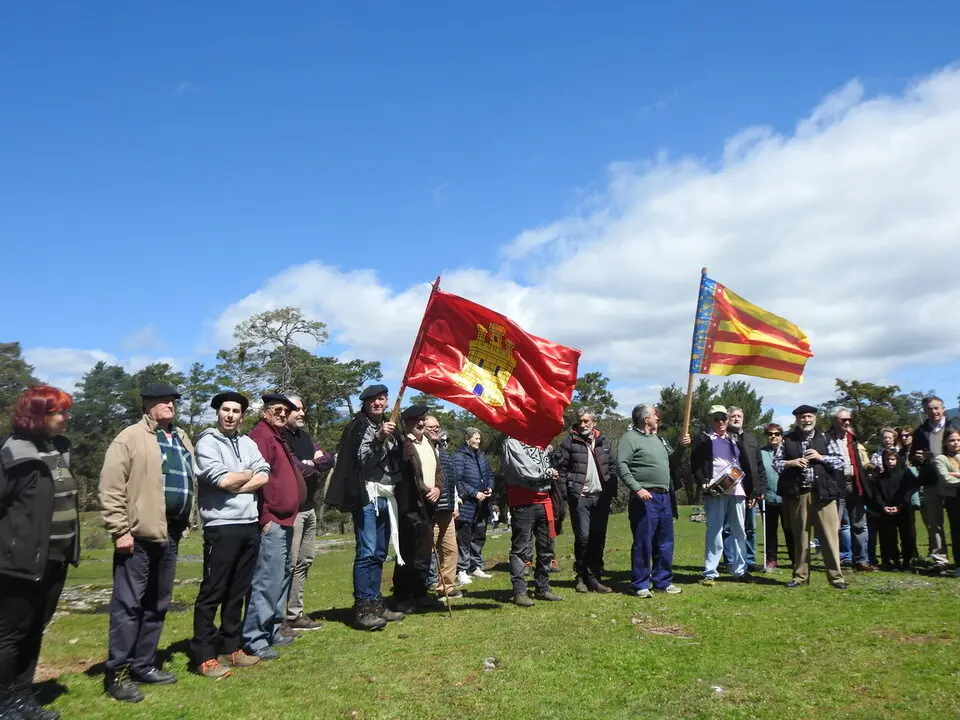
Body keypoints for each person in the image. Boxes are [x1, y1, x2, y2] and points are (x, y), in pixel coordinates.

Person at [100, 382, 195, 702]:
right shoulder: (130, 438)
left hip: (170, 532)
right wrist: (119, 530)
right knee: (129, 605)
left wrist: (188, 520)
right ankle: (118, 672)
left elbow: (188, 481)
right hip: (137, 535)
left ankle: (143, 663)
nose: (170, 405)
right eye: (163, 401)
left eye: (173, 401)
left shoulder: (181, 437)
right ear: (147, 405)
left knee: (157, 602)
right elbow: (111, 487)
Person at [0, 386, 78, 720]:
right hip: (18, 561)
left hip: (55, 558)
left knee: (34, 629)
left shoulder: (59, 448)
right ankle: (4, 702)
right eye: (59, 412)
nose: (66, 418)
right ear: (38, 415)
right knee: (10, 633)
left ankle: (22, 696)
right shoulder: (13, 454)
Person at [190, 391, 270, 679]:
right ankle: (204, 654)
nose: (230, 415)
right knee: (213, 591)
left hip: (249, 523)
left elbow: (264, 472)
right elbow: (220, 479)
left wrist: (239, 482)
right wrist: (244, 476)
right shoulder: (207, 442)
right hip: (220, 525)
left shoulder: (248, 443)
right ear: (217, 412)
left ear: (242, 415)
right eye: (225, 410)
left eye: (236, 411)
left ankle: (232, 647)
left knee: (238, 591)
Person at [324, 384, 406, 631]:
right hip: (366, 494)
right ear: (365, 403)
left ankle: (376, 603)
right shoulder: (359, 426)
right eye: (373, 400)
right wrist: (380, 438)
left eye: (382, 399)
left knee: (380, 552)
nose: (378, 403)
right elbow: (363, 460)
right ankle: (363, 607)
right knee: (367, 551)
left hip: (386, 494)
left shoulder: (391, 425)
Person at [241, 393, 306, 660]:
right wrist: (265, 516)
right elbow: (259, 479)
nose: (282, 413)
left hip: (286, 518)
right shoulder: (261, 437)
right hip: (273, 520)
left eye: (285, 410)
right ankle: (255, 637)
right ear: (264, 412)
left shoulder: (277, 437)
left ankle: (274, 629)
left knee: (281, 577)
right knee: (267, 580)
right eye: (277, 409)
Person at [616, 404, 689, 598]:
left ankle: (662, 581)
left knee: (665, 541)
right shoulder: (629, 439)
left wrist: (681, 447)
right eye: (654, 414)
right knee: (643, 541)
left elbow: (673, 463)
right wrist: (637, 488)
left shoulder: (659, 439)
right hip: (644, 497)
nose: (657, 417)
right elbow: (621, 465)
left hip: (664, 497)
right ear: (644, 418)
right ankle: (639, 584)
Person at [774, 404, 847, 589]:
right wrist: (791, 462)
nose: (805, 420)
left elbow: (840, 462)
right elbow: (776, 463)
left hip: (824, 495)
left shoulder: (827, 437)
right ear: (796, 420)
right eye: (801, 417)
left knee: (830, 537)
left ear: (815, 417)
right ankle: (800, 577)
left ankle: (836, 578)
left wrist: (821, 457)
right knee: (801, 537)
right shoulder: (787, 439)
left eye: (808, 416)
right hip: (799, 494)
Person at [692, 405, 766, 585]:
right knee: (715, 531)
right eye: (716, 418)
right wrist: (703, 481)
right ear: (711, 420)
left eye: (723, 418)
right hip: (715, 491)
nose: (721, 422)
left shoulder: (736, 439)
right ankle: (710, 571)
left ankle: (740, 570)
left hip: (738, 490)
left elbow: (751, 465)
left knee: (739, 531)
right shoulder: (703, 439)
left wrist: (755, 489)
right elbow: (694, 463)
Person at [283, 397, 334, 633]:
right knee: (288, 564)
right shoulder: (280, 437)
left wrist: (311, 461)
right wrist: (311, 463)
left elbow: (328, 459)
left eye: (303, 408)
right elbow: (297, 468)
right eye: (297, 409)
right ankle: (278, 617)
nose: (302, 413)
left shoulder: (305, 438)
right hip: (291, 511)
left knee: (304, 561)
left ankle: (295, 613)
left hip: (309, 507)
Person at [554, 409, 617, 594]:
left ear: (594, 422)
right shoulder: (570, 441)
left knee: (598, 538)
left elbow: (611, 467)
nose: (582, 425)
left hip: (601, 497)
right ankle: (580, 575)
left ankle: (595, 577)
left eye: (586, 421)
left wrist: (610, 490)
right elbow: (561, 469)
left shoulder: (604, 442)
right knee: (583, 537)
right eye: (580, 421)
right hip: (580, 498)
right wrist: (568, 494)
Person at [391, 405, 446, 614]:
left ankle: (420, 592)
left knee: (424, 552)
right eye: (416, 420)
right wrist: (426, 490)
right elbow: (412, 476)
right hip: (411, 506)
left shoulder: (429, 444)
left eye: (422, 419)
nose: (421, 423)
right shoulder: (405, 444)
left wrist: (438, 488)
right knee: (408, 553)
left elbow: (438, 470)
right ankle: (403, 597)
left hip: (429, 506)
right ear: (407, 423)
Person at [502, 438, 562, 606]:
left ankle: (543, 587)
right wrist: (548, 472)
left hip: (545, 500)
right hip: (523, 502)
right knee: (521, 548)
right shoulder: (512, 441)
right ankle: (520, 591)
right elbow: (525, 469)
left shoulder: (540, 440)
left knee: (547, 547)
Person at [828, 408, 876, 572]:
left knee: (860, 524)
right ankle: (845, 558)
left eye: (849, 419)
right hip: (837, 485)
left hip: (855, 484)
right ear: (834, 420)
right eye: (843, 420)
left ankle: (862, 559)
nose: (847, 422)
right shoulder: (827, 439)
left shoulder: (853, 439)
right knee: (843, 524)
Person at [423, 416, 461, 601]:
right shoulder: (420, 449)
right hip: (429, 508)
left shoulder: (443, 452)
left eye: (437, 427)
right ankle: (420, 588)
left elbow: (451, 480)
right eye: (431, 427)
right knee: (426, 551)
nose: (435, 430)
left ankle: (447, 587)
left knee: (450, 550)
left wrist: (455, 504)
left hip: (447, 508)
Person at [911, 396, 950, 567]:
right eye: (930, 409)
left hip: (953, 480)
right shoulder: (920, 431)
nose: (934, 412)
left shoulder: (954, 427)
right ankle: (940, 559)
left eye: (937, 408)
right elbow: (912, 456)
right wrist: (918, 457)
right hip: (930, 481)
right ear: (925, 411)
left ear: (943, 409)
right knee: (934, 523)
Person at [722, 407, 761, 572]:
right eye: (733, 416)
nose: (736, 418)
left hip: (747, 489)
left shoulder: (751, 440)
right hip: (728, 488)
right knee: (728, 527)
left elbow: (759, 467)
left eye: (739, 416)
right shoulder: (721, 438)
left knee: (749, 526)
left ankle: (749, 560)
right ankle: (730, 560)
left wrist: (758, 490)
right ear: (727, 418)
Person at [453, 428, 494, 585]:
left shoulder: (481, 457)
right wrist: (474, 493)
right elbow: (458, 480)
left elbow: (489, 475)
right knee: (464, 538)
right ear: (467, 439)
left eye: (479, 439)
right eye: (475, 439)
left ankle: (475, 566)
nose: (478, 441)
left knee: (479, 535)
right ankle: (461, 570)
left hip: (482, 505)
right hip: (467, 504)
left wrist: (490, 486)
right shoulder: (459, 457)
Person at [866, 449, 915, 570]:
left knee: (907, 536)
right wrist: (884, 506)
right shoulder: (881, 477)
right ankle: (895, 561)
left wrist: (901, 506)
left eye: (893, 459)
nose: (890, 462)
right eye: (887, 459)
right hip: (887, 511)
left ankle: (907, 561)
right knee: (890, 537)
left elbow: (910, 490)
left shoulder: (906, 474)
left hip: (903, 509)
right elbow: (877, 494)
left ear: (898, 460)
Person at [760, 423, 794, 570]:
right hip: (768, 498)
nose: (773, 436)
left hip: (787, 497)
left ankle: (795, 559)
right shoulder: (760, 453)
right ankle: (771, 559)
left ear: (782, 436)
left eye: (776, 434)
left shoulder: (789, 451)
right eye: (769, 434)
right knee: (770, 531)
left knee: (790, 529)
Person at [934, 427, 960, 576]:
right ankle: (959, 565)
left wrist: (958, 475)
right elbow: (946, 479)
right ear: (945, 442)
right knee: (957, 533)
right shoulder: (941, 458)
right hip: (954, 499)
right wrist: (954, 476)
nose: (955, 443)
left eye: (958, 440)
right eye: (952, 440)